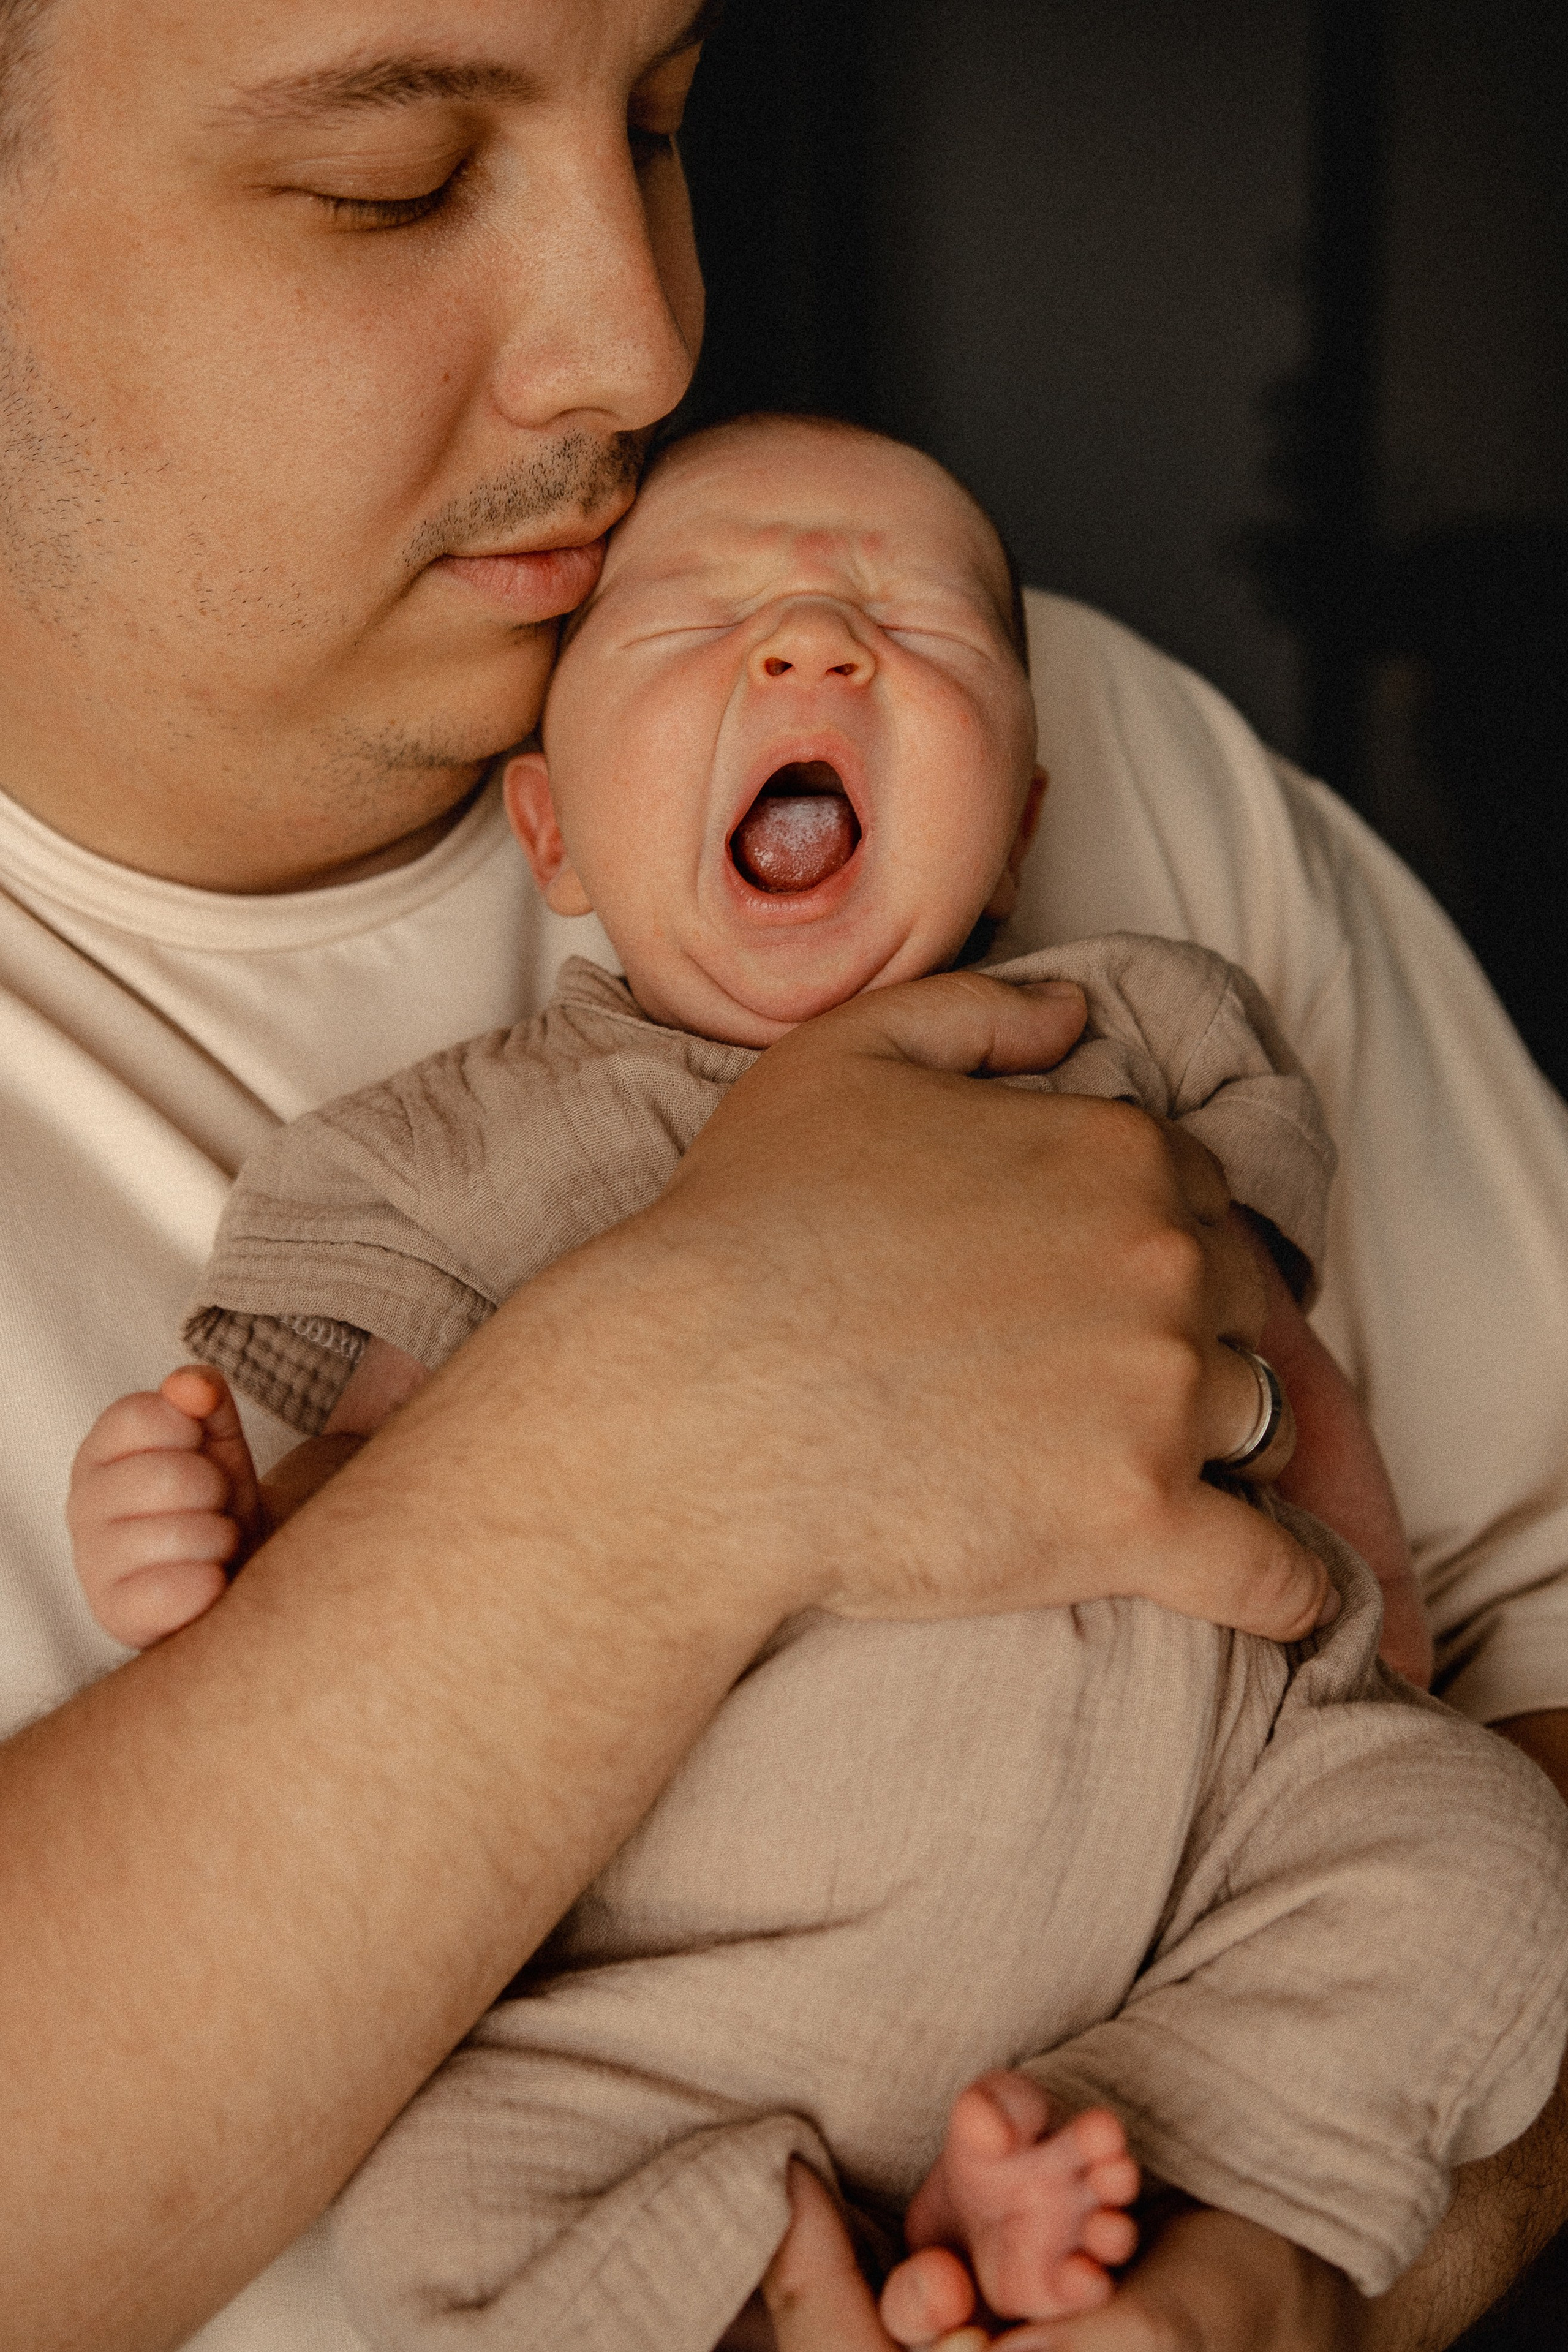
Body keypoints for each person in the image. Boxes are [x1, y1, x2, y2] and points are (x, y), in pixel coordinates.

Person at [0, 4, 1563, 2348]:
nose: (642, 336)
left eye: (663, 119)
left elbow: (1524, 1667)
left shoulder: (1100, 749)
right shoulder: (426, 1159)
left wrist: (1273, 2277)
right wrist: (704, 1410)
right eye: (400, 180)